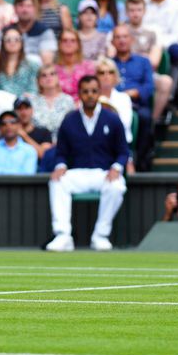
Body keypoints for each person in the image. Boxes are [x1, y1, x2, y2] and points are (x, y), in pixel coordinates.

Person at [46, 75, 128, 252]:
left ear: (99, 93)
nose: (90, 95)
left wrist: (116, 167)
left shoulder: (112, 119)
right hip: (78, 173)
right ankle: (62, 235)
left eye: (94, 91)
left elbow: (123, 151)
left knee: (117, 186)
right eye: (85, 91)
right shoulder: (69, 120)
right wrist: (60, 166)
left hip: (103, 173)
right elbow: (61, 152)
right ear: (79, 94)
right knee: (56, 182)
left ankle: (101, 235)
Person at [0, 109, 38, 175]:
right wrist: (16, 171)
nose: (8, 126)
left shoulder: (29, 150)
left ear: (19, 125)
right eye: (4, 123)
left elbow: (28, 174)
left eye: (12, 122)